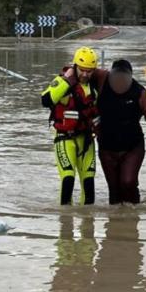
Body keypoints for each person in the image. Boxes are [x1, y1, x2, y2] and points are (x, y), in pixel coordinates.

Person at [94, 59, 146, 205]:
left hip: (133, 147)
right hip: (106, 147)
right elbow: (84, 69)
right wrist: (68, 72)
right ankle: (118, 224)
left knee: (128, 182)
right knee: (114, 190)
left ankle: (134, 211)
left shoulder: (138, 91)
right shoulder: (101, 80)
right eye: (116, 76)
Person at [41, 47, 101, 205]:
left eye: (89, 71)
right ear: (75, 67)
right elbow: (46, 100)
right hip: (64, 139)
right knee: (68, 177)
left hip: (86, 140)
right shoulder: (62, 81)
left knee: (89, 182)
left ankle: (88, 224)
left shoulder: (94, 88)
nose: (85, 75)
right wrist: (66, 81)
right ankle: (65, 221)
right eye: (82, 70)